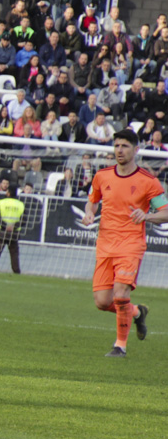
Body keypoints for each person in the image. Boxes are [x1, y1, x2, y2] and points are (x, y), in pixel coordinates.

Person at [82, 129, 165, 357]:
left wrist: (147, 216)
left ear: (136, 150)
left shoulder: (148, 181)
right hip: (105, 244)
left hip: (130, 245)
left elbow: (166, 211)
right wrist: (89, 213)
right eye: (117, 145)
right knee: (101, 301)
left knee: (120, 295)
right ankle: (137, 313)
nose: (120, 150)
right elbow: (92, 202)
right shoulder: (102, 176)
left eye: (125, 146)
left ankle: (120, 345)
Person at [0, 186, 24, 274]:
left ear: (8, 193)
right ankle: (16, 271)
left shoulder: (1, 202)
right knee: (14, 253)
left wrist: (5, 226)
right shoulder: (21, 204)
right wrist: (13, 226)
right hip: (14, 233)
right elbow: (24, 220)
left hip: (1, 231)